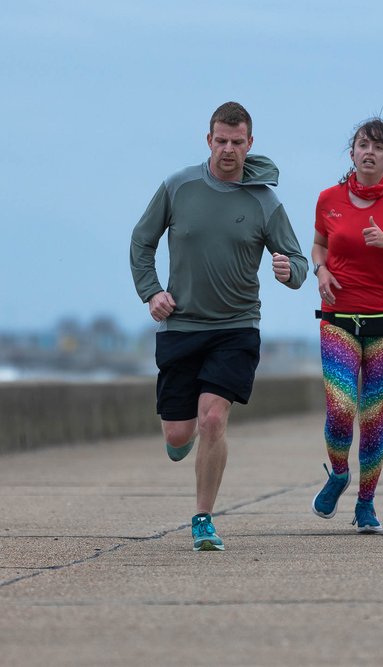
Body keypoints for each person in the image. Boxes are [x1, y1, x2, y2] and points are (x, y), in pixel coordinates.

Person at [130, 102, 308, 551]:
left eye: (238, 142)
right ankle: (179, 439)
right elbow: (142, 241)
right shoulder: (178, 186)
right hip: (181, 327)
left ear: (250, 144)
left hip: (236, 327)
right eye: (221, 141)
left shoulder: (265, 200)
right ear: (208, 140)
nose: (229, 150)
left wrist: (290, 272)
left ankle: (203, 518)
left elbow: (299, 261)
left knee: (213, 419)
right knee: (178, 433)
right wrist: (151, 291)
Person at [309, 117, 383, 534]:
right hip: (338, 318)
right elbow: (320, 244)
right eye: (363, 144)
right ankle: (339, 473)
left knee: (372, 418)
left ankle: (366, 503)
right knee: (341, 409)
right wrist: (320, 271)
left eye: (378, 147)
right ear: (353, 152)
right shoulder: (328, 198)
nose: (369, 152)